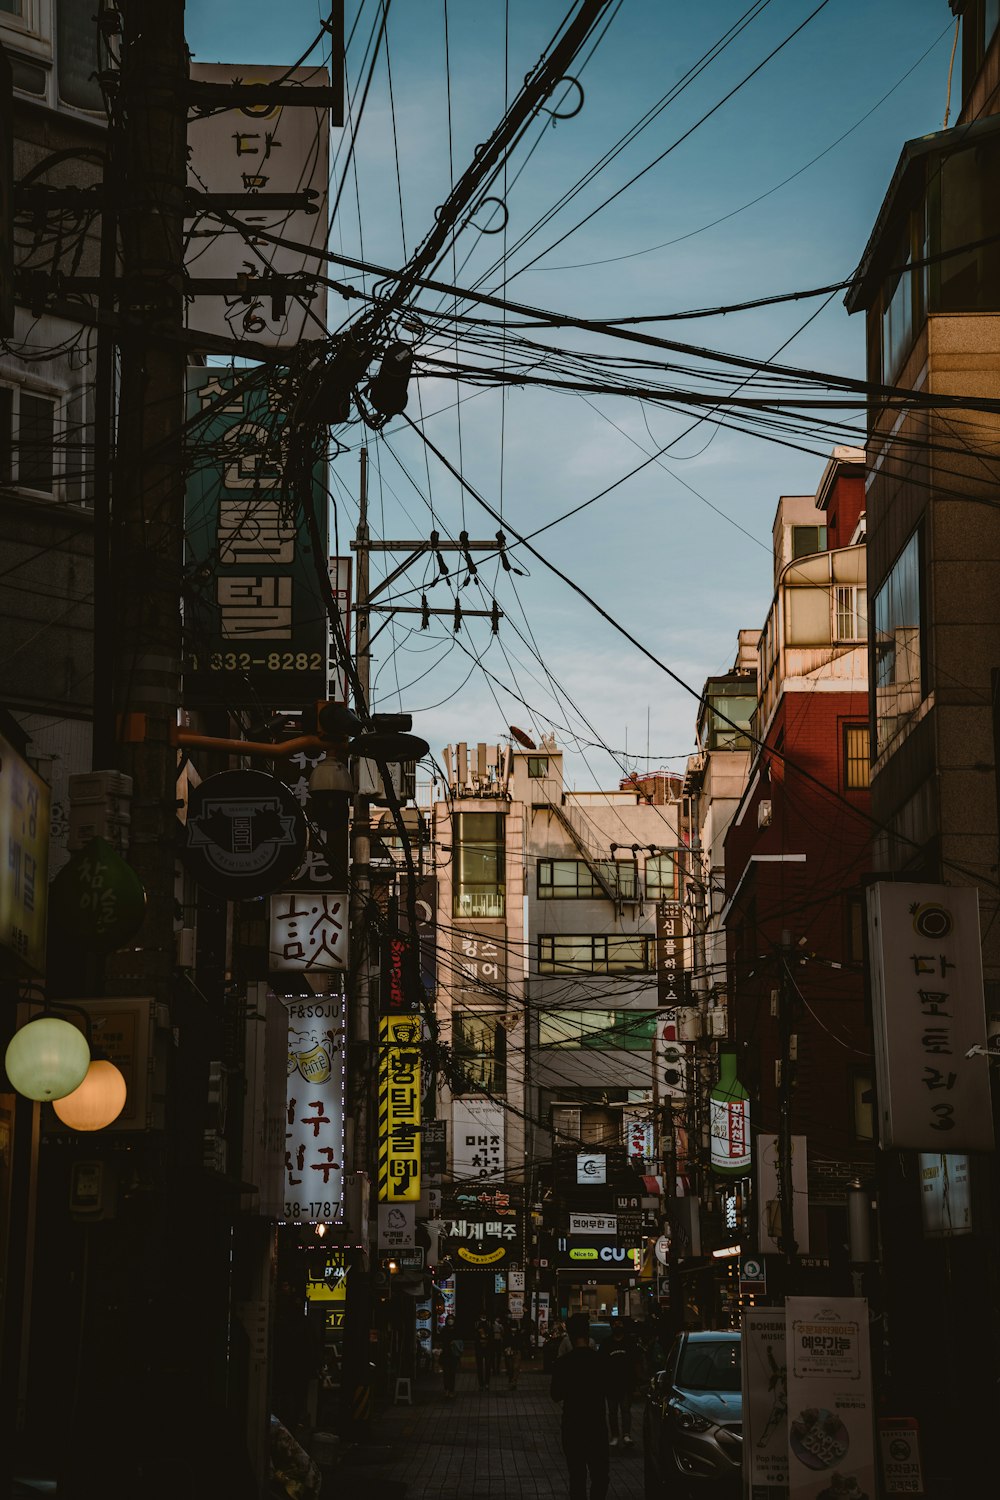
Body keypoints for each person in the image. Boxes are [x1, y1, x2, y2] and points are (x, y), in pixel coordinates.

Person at [550, 1312, 610, 1500]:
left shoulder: (563, 1364)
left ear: (570, 1335)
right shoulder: (600, 1361)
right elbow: (610, 1388)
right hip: (596, 1426)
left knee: (577, 1477)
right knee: (600, 1476)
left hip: (572, 1426)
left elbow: (555, 1395)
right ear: (587, 1333)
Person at [600, 1319, 641, 1449]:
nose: (617, 1325)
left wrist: (636, 1383)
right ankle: (615, 1436)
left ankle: (626, 1434)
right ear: (611, 1326)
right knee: (612, 1412)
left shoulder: (629, 1342)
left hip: (626, 1383)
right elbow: (601, 1364)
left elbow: (636, 1363)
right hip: (610, 1384)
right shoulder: (607, 1343)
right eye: (615, 1323)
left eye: (620, 1323)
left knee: (625, 1410)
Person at [438, 1316, 463, 1399]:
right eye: (449, 1319)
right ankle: (446, 1390)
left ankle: (451, 1390)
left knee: (452, 1373)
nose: (450, 1321)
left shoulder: (457, 1330)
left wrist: (454, 1343)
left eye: (451, 1319)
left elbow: (460, 1342)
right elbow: (441, 1341)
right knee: (446, 1373)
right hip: (445, 1354)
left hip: (453, 1355)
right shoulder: (444, 1330)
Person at [473, 1315, 493, 1391]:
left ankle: (485, 1383)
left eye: (484, 1316)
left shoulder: (488, 1324)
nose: (483, 1318)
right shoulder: (477, 1324)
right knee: (480, 1367)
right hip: (480, 1349)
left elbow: (491, 1336)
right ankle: (482, 1384)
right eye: (482, 1316)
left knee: (486, 1366)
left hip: (486, 1349)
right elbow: (475, 1336)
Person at [503, 1319, 524, 1390]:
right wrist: (507, 1348)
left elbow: (521, 1343)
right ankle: (511, 1379)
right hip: (509, 1352)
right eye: (512, 1328)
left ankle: (513, 1382)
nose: (513, 1329)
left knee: (516, 1367)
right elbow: (505, 1343)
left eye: (514, 1328)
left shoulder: (519, 1334)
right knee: (510, 1368)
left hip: (517, 1352)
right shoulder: (507, 1334)